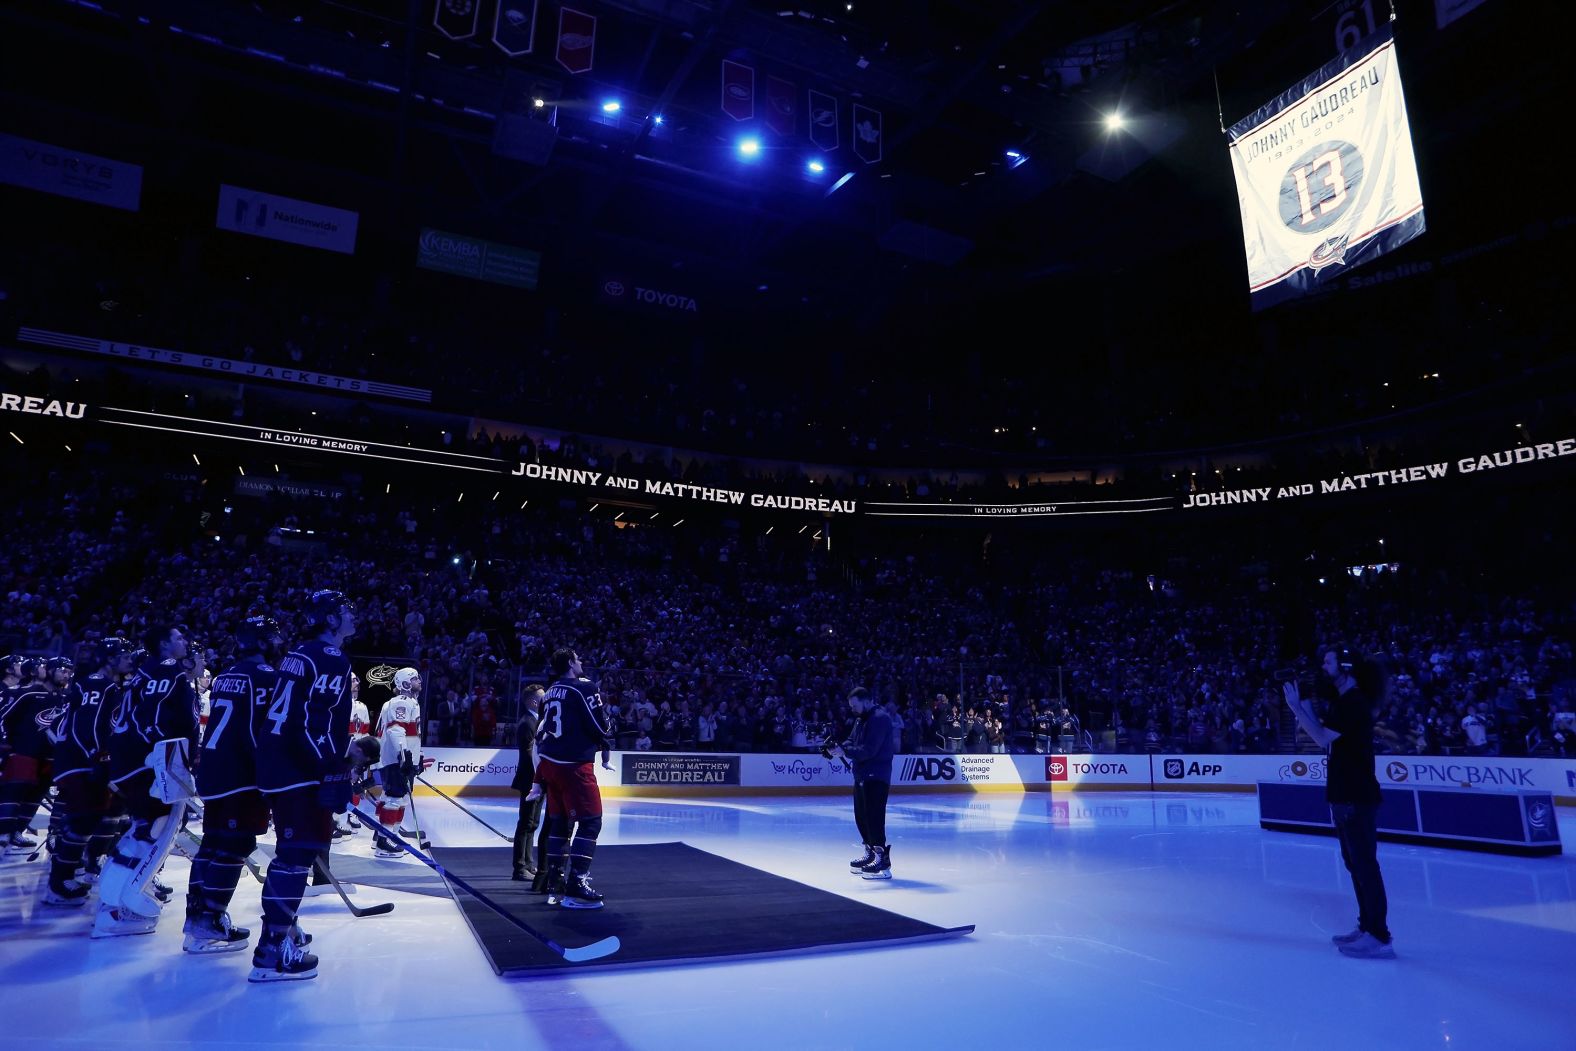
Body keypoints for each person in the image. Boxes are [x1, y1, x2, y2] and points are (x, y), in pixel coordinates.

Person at [254, 590, 358, 982]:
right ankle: (272, 951)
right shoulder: (331, 657)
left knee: (289, 857)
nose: (353, 615)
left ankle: (281, 933)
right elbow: (314, 723)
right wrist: (331, 770)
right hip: (299, 770)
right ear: (330, 618)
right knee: (295, 859)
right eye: (346, 610)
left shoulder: (299, 652)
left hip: (278, 766)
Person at [1283, 647, 1395, 960]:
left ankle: (1379, 934)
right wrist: (1302, 708)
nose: (1324, 665)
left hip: (1356, 796)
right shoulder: (1344, 703)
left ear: (1346, 666)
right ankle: (1367, 926)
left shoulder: (1354, 703)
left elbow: (1319, 738)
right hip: (1345, 795)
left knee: (1365, 867)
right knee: (1355, 865)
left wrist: (1296, 708)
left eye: (1329, 660)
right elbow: (1324, 733)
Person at [183, 615, 285, 954]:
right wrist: (269, 776)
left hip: (213, 767)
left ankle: (196, 915)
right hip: (240, 774)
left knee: (212, 843)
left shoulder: (226, 675)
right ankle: (208, 920)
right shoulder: (266, 676)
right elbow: (261, 732)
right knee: (235, 845)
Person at [96, 626, 199, 938]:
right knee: (152, 831)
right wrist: (161, 761)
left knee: (144, 829)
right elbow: (151, 719)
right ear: (164, 644)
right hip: (146, 764)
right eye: (180, 638)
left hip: (135, 762)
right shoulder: (167, 670)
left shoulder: (147, 672)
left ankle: (113, 900)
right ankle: (117, 908)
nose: (186, 642)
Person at [43, 639, 134, 906]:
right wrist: (97, 756)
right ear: (109, 658)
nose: (129, 659)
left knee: (85, 821)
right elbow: (89, 724)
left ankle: (65, 877)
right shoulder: (98, 683)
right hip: (82, 760)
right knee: (82, 822)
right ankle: (58, 884)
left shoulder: (102, 683)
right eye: (123, 655)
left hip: (82, 759)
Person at [528, 648, 613, 908]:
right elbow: (601, 726)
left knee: (560, 822)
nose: (582, 660)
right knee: (590, 822)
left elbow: (544, 731)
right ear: (569, 663)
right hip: (574, 766)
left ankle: (555, 880)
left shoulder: (550, 691)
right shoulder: (584, 688)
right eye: (578, 658)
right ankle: (577, 881)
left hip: (551, 764)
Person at [830, 687, 895, 880]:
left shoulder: (880, 719)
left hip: (876, 775)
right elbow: (851, 740)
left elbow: (869, 750)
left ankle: (881, 859)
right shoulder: (861, 719)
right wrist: (838, 748)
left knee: (874, 817)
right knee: (862, 817)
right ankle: (870, 853)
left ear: (866, 701)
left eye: (855, 705)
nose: (853, 709)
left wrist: (845, 752)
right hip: (861, 775)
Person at [372, 666, 426, 858]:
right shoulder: (401, 702)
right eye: (414, 678)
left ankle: (388, 836)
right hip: (397, 760)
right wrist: (405, 755)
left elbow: (412, 734)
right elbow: (396, 730)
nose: (419, 681)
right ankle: (383, 842)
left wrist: (417, 756)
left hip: (400, 759)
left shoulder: (410, 702)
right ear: (404, 683)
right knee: (395, 799)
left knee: (396, 798)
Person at [511, 683, 544, 880]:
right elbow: (528, 755)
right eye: (542, 698)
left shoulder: (536, 721)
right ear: (533, 701)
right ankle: (520, 867)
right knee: (526, 823)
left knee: (532, 823)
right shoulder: (527, 723)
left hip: (536, 779)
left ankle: (528, 863)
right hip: (530, 780)